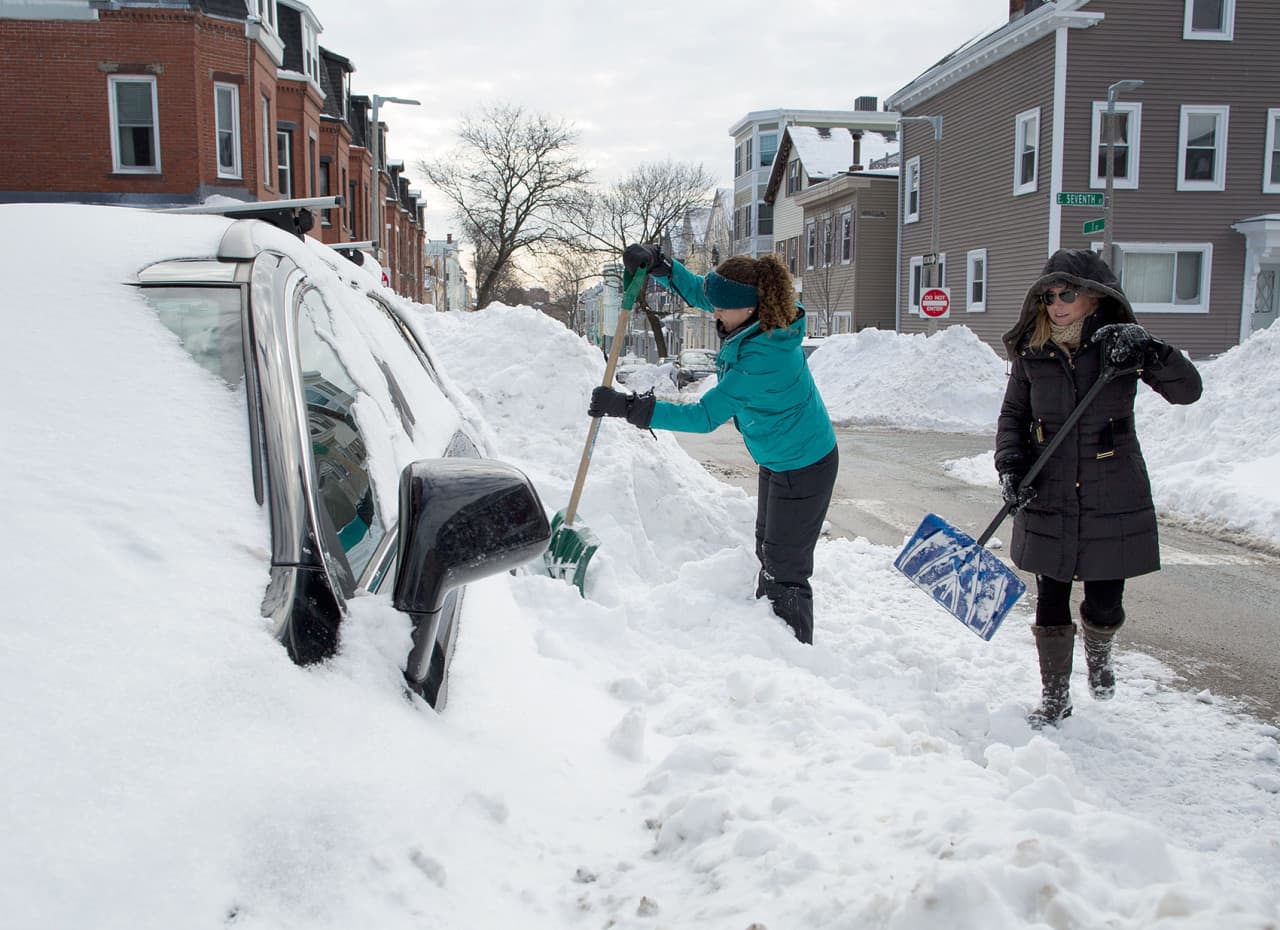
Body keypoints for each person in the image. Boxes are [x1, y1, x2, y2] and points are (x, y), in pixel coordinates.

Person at [588, 244, 838, 645]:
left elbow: (704, 417)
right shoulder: (753, 316)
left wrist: (631, 407)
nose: (714, 312)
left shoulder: (764, 357)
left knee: (785, 567)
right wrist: (662, 266)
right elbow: (704, 292)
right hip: (779, 458)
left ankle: (793, 655)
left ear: (748, 308)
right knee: (767, 548)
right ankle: (769, 633)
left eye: (722, 308)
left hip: (803, 464)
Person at [995, 248, 1202, 728]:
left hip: (1113, 487)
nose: (1056, 303)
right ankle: (1055, 697)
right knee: (1050, 600)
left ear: (1094, 297)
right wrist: (1010, 465)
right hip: (1048, 486)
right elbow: (1013, 416)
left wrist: (1152, 349)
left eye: (1067, 293)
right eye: (1048, 295)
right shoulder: (1033, 349)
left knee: (1105, 601)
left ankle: (1101, 650)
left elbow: (1187, 391)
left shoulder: (1120, 347)